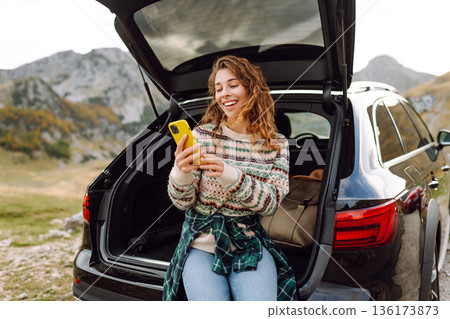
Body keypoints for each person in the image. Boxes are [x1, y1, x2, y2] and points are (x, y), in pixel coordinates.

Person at [163, 55, 297, 301]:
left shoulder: (276, 145)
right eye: (218, 88)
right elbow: (182, 202)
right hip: (200, 247)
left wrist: (229, 175)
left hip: (248, 244)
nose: (224, 93)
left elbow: (270, 204)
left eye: (233, 85)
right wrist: (180, 172)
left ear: (251, 88)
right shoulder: (202, 135)